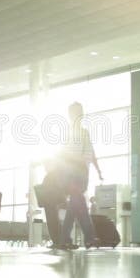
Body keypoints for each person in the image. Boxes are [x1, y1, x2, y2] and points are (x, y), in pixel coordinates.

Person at [57, 102, 102, 250]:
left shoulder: (84, 133)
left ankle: (65, 239)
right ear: (71, 115)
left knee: (74, 205)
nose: (79, 114)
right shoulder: (68, 134)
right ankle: (89, 238)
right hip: (72, 175)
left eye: (80, 111)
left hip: (82, 174)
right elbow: (62, 155)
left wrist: (98, 170)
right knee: (79, 202)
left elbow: (91, 153)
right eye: (76, 112)